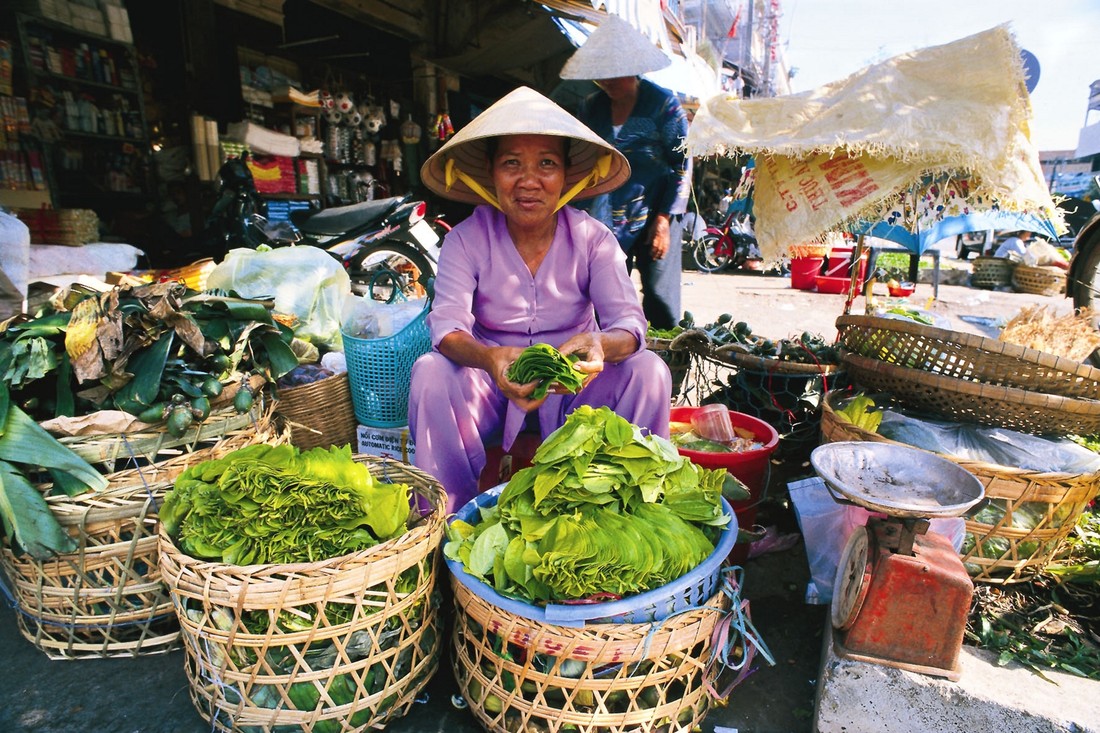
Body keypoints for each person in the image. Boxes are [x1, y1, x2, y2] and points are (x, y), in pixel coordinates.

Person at [410, 86, 673, 512]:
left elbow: (629, 325)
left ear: (566, 176)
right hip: (490, 388)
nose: (529, 180)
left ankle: (629, 510)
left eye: (546, 164)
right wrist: (491, 358)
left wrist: (600, 346)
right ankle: (445, 521)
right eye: (511, 163)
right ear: (492, 174)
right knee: (430, 372)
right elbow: (447, 328)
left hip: (576, 388)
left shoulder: (592, 238)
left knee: (649, 372)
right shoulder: (465, 239)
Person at [559, 14, 691, 331]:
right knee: (605, 298)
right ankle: (611, 363)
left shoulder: (664, 105)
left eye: (614, 75)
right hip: (604, 215)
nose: (607, 83)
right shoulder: (591, 107)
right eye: (601, 76)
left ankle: (668, 366)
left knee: (660, 298)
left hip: (654, 211)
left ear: (632, 69)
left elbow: (681, 164)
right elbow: (581, 158)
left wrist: (663, 220)